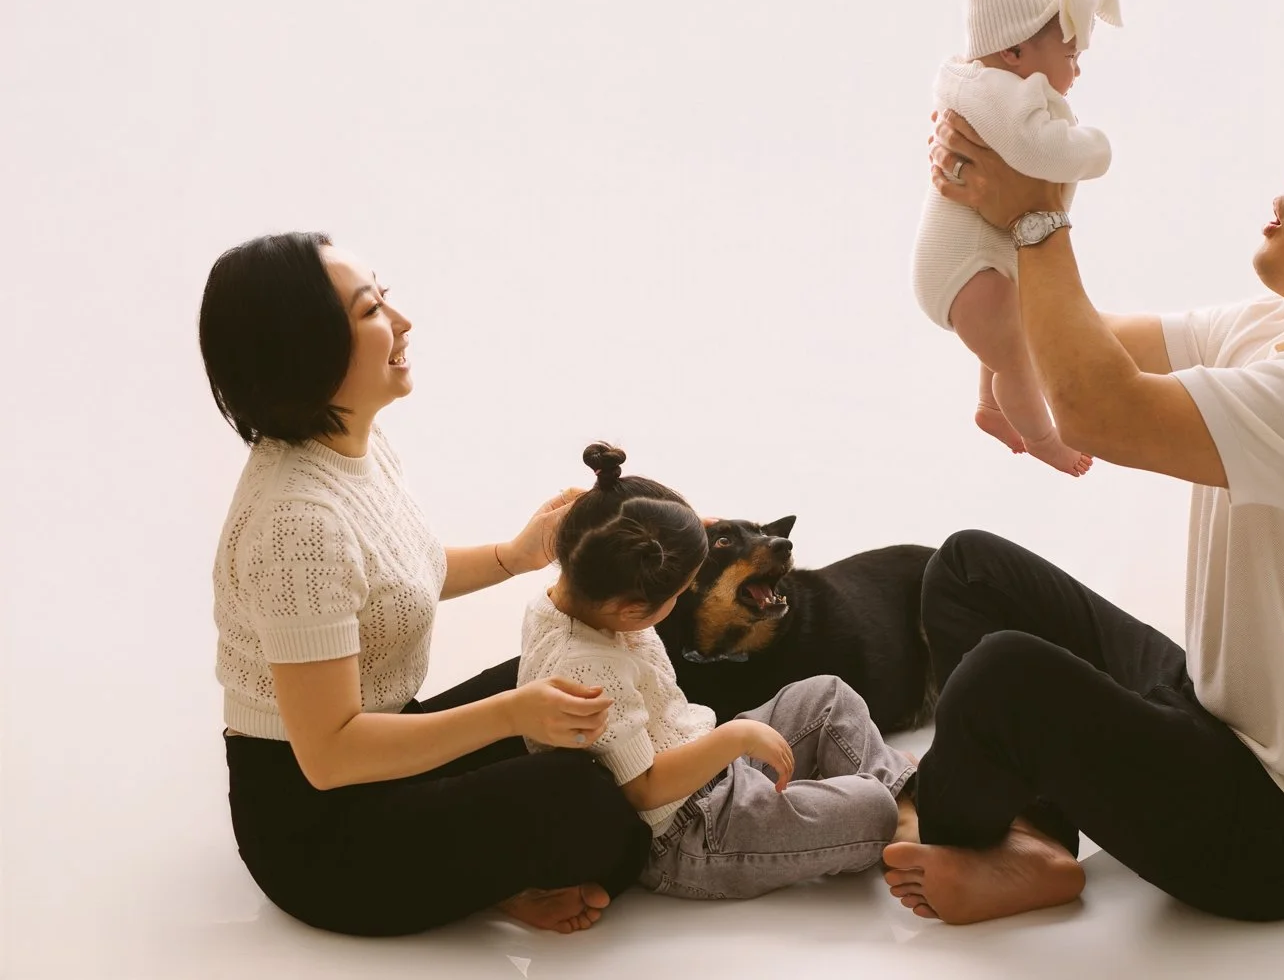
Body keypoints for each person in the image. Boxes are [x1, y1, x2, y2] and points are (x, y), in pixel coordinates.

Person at [883, 99, 1284, 924]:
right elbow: (1072, 341)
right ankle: (1032, 844)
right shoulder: (1277, 330)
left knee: (1003, 676)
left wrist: (1034, 214)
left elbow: (1096, 405)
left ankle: (954, 832)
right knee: (966, 569)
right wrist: (991, 210)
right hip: (1213, 715)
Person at [200, 232, 650, 936]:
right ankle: (480, 873)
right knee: (583, 800)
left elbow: (388, 578)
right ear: (306, 347)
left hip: (388, 750)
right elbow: (330, 756)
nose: (401, 319)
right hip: (319, 831)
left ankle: (477, 857)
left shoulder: (353, 444)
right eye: (369, 310)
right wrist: (510, 716)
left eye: (384, 293)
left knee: (592, 673)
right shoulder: (297, 523)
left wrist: (515, 554)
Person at [519, 444, 916, 900]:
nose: (679, 605)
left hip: (704, 764)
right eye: (676, 595)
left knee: (827, 694)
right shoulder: (591, 668)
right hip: (690, 832)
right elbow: (642, 792)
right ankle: (891, 801)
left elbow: (614, 529)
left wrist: (683, 529)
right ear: (631, 609)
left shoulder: (566, 598)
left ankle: (894, 794)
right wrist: (732, 740)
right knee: (871, 806)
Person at [912, 0, 1122, 476]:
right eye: (1071, 55)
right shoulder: (1001, 95)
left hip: (975, 264)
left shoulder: (986, 86)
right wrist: (1096, 147)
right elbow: (1040, 152)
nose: (1075, 70)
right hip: (966, 269)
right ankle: (1045, 438)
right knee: (1017, 357)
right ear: (1013, 51)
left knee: (1012, 335)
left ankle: (991, 408)